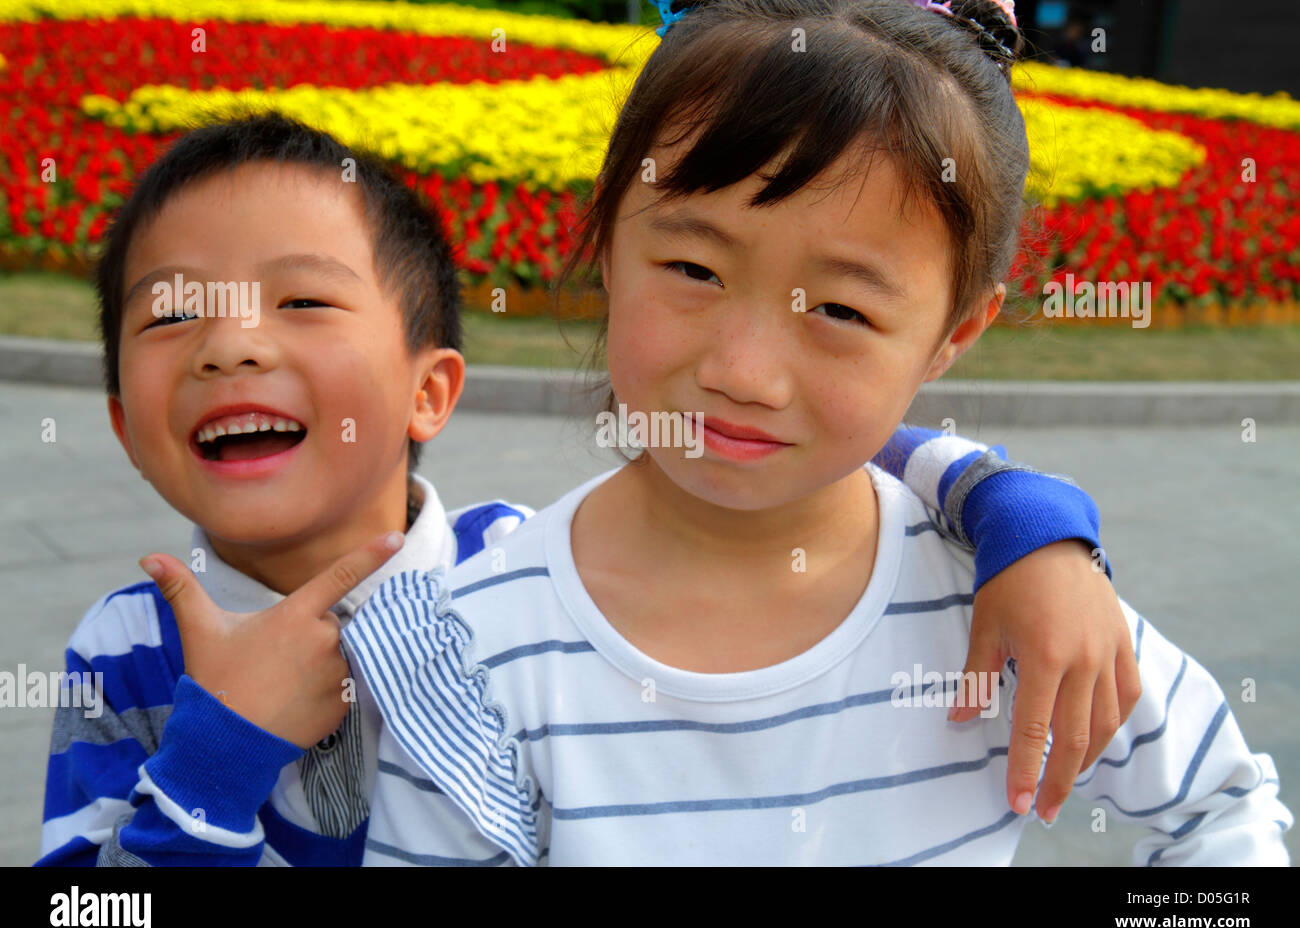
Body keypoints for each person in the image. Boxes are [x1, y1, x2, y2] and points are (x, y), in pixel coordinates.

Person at [38, 102, 1130, 866]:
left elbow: (780, 453)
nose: (229, 348)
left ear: (431, 391)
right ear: (128, 425)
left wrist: (1019, 517)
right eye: (171, 312)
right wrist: (212, 758)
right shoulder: (127, 655)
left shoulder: (511, 574)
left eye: (304, 303)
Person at [344, 0, 1291, 866]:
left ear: (955, 334)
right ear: (606, 243)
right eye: (693, 269)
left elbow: (1224, 813)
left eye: (839, 310)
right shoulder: (475, 648)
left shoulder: (1009, 607)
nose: (743, 372)